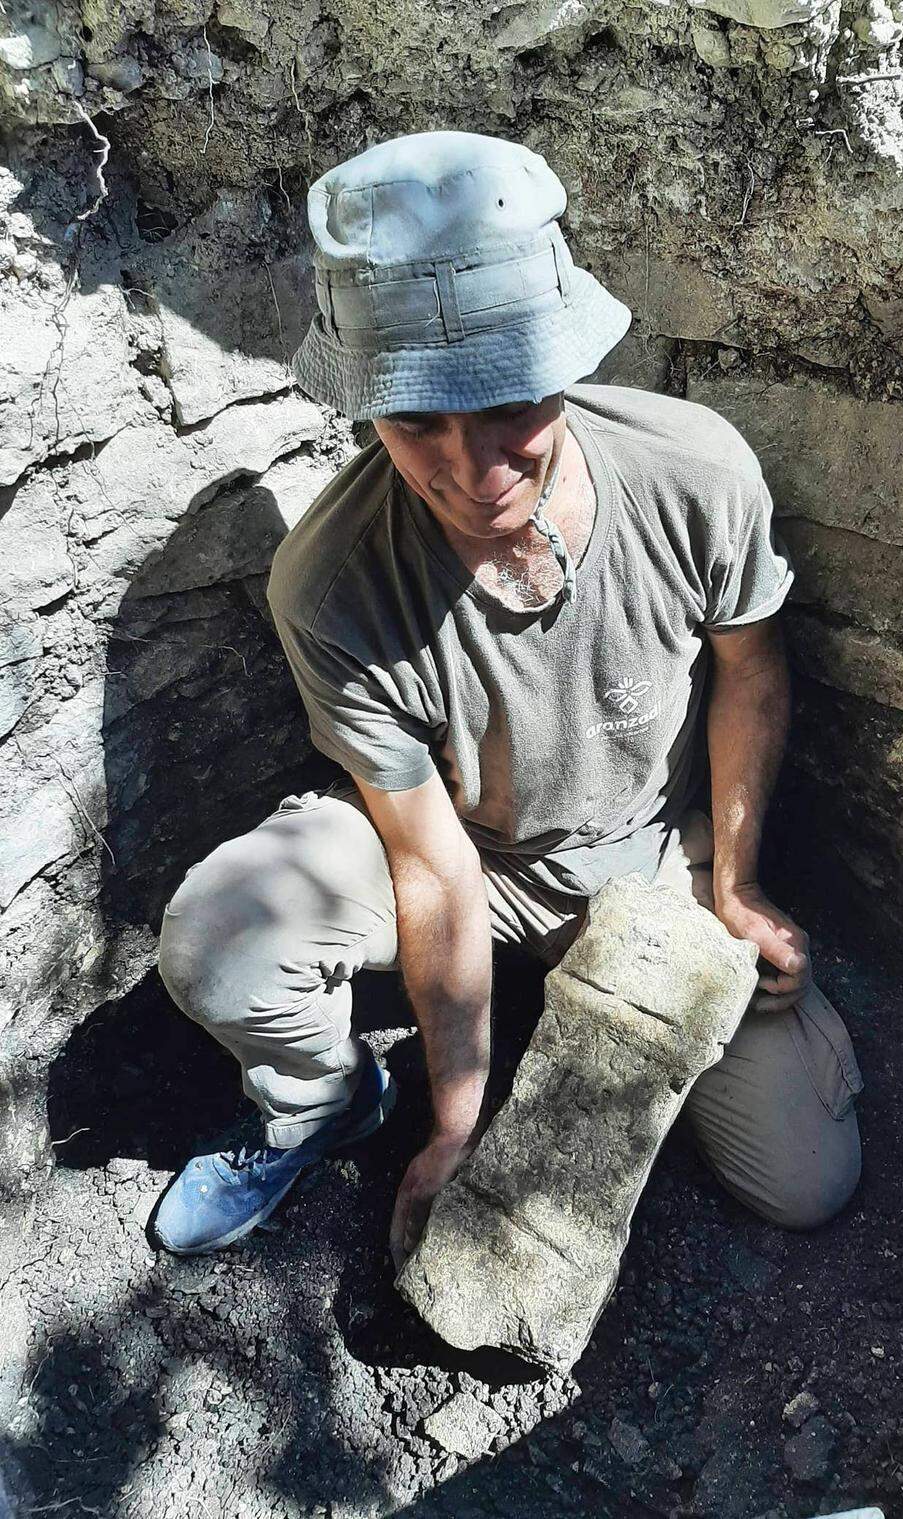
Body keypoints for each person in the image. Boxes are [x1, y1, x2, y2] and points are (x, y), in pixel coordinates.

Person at [152, 130, 863, 1263]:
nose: (469, 467)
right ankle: (326, 1099)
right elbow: (431, 863)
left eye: (507, 406)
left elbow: (752, 669)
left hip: (647, 866)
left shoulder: (694, 472)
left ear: (565, 367)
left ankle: (631, 1005)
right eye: (415, 418)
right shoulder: (334, 581)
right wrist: (454, 1125)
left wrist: (737, 883)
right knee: (222, 936)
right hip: (459, 851)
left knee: (806, 1179)